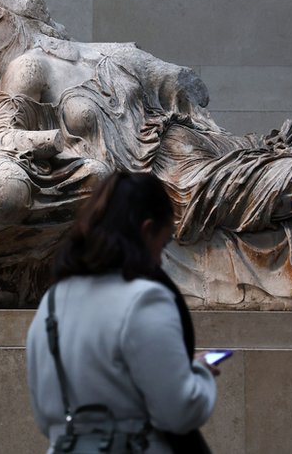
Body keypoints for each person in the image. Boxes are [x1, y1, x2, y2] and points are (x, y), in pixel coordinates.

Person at [26, 171, 217, 453]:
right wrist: (198, 371)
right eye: (162, 245)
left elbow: (46, 417)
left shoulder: (51, 302)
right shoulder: (145, 300)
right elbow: (178, 412)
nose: (160, 261)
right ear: (146, 230)